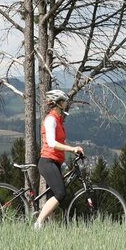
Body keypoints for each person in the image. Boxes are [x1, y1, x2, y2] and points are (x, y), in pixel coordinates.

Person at [34, 89, 83, 230]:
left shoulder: (59, 120)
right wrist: (72, 149)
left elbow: (59, 142)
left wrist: (72, 150)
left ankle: (53, 229)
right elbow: (52, 143)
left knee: (53, 197)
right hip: (47, 162)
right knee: (60, 194)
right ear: (58, 103)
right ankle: (38, 224)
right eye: (64, 101)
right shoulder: (50, 120)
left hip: (55, 162)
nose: (66, 103)